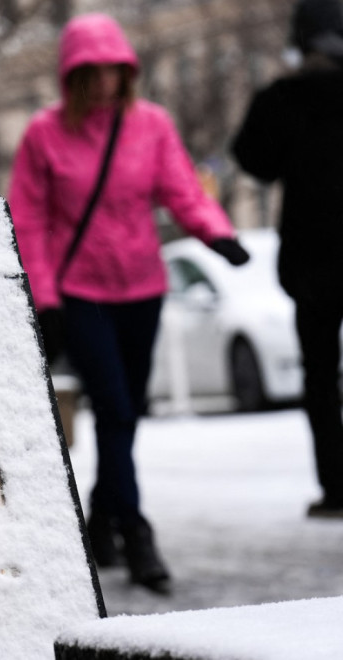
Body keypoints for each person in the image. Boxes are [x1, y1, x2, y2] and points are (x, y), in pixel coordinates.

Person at [9, 14, 249, 592]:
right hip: (80, 292)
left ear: (127, 72)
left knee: (126, 411)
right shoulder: (45, 134)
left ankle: (100, 521)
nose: (103, 83)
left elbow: (181, 189)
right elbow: (30, 218)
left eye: (114, 72)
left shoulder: (151, 126)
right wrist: (44, 297)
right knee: (115, 407)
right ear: (72, 75)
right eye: (91, 73)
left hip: (142, 287)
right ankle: (138, 533)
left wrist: (216, 233)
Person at [232, 0, 343, 519]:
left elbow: (253, 160)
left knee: (320, 377)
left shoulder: (284, 97)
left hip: (313, 262)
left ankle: (336, 487)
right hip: (315, 261)